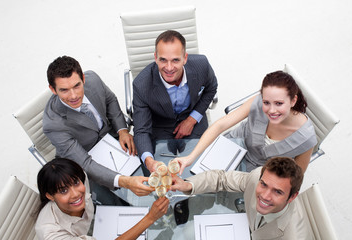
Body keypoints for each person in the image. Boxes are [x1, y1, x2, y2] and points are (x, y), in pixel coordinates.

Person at [43, 56, 153, 204]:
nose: (74, 95)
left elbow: (110, 100)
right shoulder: (53, 125)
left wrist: (122, 130)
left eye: (77, 86)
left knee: (150, 163)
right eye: (64, 90)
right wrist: (125, 182)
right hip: (86, 159)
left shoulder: (93, 80)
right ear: (52, 89)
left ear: (83, 78)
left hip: (112, 139)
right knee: (120, 203)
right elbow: (85, 164)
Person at [177, 70, 317, 173]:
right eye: (266, 102)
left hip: (258, 174)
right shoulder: (259, 101)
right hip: (232, 147)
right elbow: (221, 125)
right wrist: (190, 157)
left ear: (293, 100)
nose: (271, 110)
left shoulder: (306, 139)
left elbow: (295, 177)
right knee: (192, 176)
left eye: (279, 103)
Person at [132, 30, 218, 173]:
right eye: (163, 60)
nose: (169, 68)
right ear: (155, 58)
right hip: (160, 128)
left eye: (176, 60)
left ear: (185, 58)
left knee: (199, 172)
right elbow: (141, 130)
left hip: (193, 123)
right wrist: (149, 160)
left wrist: (192, 119)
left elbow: (211, 88)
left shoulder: (202, 65)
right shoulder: (141, 85)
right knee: (164, 178)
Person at [171, 157, 314, 240]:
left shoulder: (293, 236)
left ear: (292, 197)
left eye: (277, 192)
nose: (265, 196)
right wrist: (187, 185)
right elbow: (221, 179)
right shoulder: (257, 176)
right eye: (263, 184)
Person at [35, 158, 170, 240]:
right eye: (63, 191)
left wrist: (128, 183)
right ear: (50, 196)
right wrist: (150, 218)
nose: (76, 194)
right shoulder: (52, 234)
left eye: (76, 183)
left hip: (99, 223)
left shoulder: (81, 177)